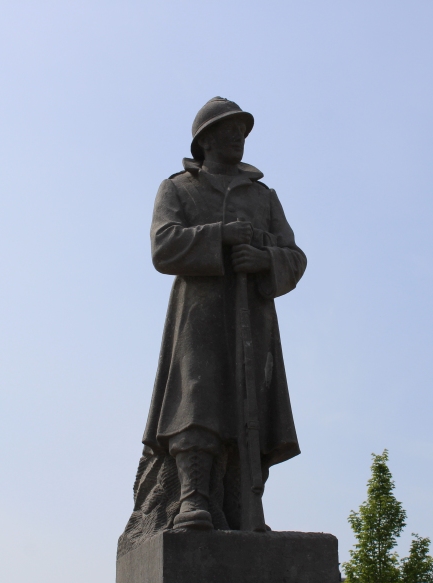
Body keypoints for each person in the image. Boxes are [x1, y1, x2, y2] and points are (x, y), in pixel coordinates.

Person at [118, 97, 307, 552]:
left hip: (252, 320)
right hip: (199, 313)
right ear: (204, 139)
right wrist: (219, 236)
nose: (238, 137)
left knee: (252, 408)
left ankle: (245, 506)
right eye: (228, 130)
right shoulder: (178, 188)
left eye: (242, 130)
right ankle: (192, 500)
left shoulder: (263, 196)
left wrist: (265, 260)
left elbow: (296, 258)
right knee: (197, 400)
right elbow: (163, 247)